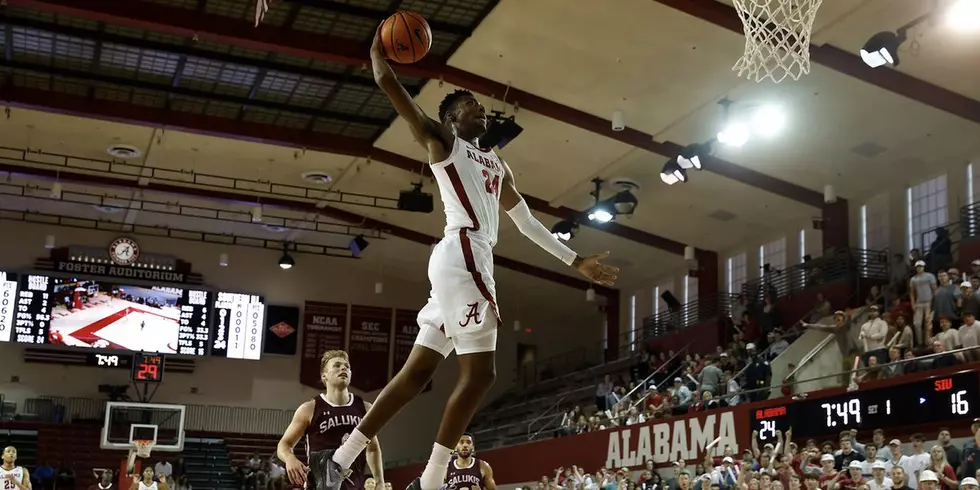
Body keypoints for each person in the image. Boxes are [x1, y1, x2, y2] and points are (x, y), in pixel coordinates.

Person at [315, 23, 619, 490]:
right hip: (463, 253)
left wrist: (574, 261)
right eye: (470, 107)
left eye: (479, 106)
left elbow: (527, 222)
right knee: (481, 375)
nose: (480, 109)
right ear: (454, 119)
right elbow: (397, 94)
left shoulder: (497, 162)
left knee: (417, 374)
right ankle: (433, 481)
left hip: (463, 260)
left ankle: (340, 457)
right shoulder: (445, 143)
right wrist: (380, 60)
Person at [277, 350, 384, 490]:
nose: (344, 368)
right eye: (337, 365)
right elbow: (284, 444)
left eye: (347, 366)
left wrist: (380, 481)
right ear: (324, 376)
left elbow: (372, 449)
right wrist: (290, 458)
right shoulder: (309, 409)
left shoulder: (365, 408)